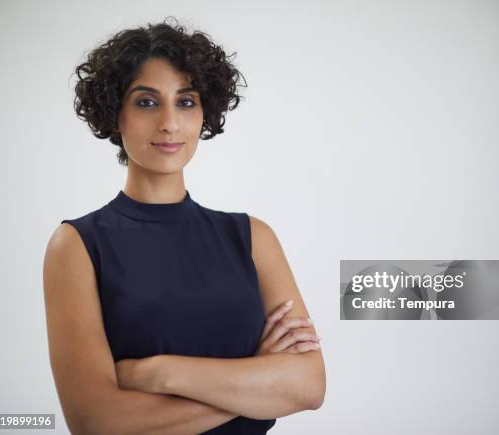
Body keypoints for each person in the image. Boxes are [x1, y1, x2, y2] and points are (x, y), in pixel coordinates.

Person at [43, 17, 325, 435]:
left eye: (186, 102)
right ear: (114, 113)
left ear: (203, 113)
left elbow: (309, 386)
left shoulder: (252, 238)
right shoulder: (78, 245)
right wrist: (257, 385)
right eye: (146, 102)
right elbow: (96, 422)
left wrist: (160, 372)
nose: (170, 123)